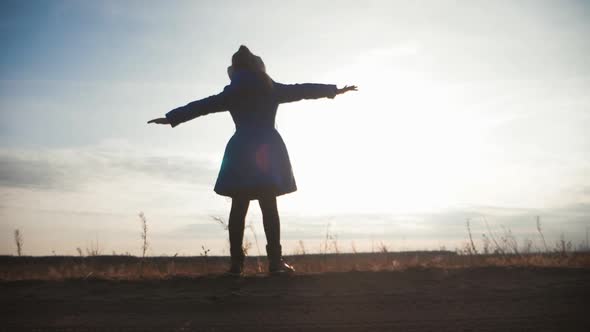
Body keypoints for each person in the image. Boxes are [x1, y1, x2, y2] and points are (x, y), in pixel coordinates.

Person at [148, 45, 357, 275]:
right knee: (269, 206)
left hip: (240, 151)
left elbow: (202, 106)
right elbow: (303, 90)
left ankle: (236, 264)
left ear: (236, 69)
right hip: (268, 150)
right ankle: (275, 263)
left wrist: (172, 117)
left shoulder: (233, 92)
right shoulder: (271, 88)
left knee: (239, 206)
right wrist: (335, 90)